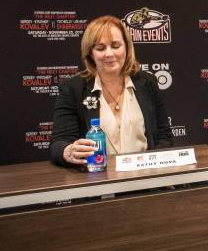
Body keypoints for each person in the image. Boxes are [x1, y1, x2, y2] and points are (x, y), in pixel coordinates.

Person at [50, 15, 172, 166]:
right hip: (98, 182)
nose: (109, 54)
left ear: (127, 47)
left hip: (145, 180)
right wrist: (68, 151)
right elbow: (58, 144)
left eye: (115, 46)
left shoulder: (147, 82)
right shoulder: (73, 89)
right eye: (100, 48)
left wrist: (157, 172)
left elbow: (164, 136)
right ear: (90, 53)